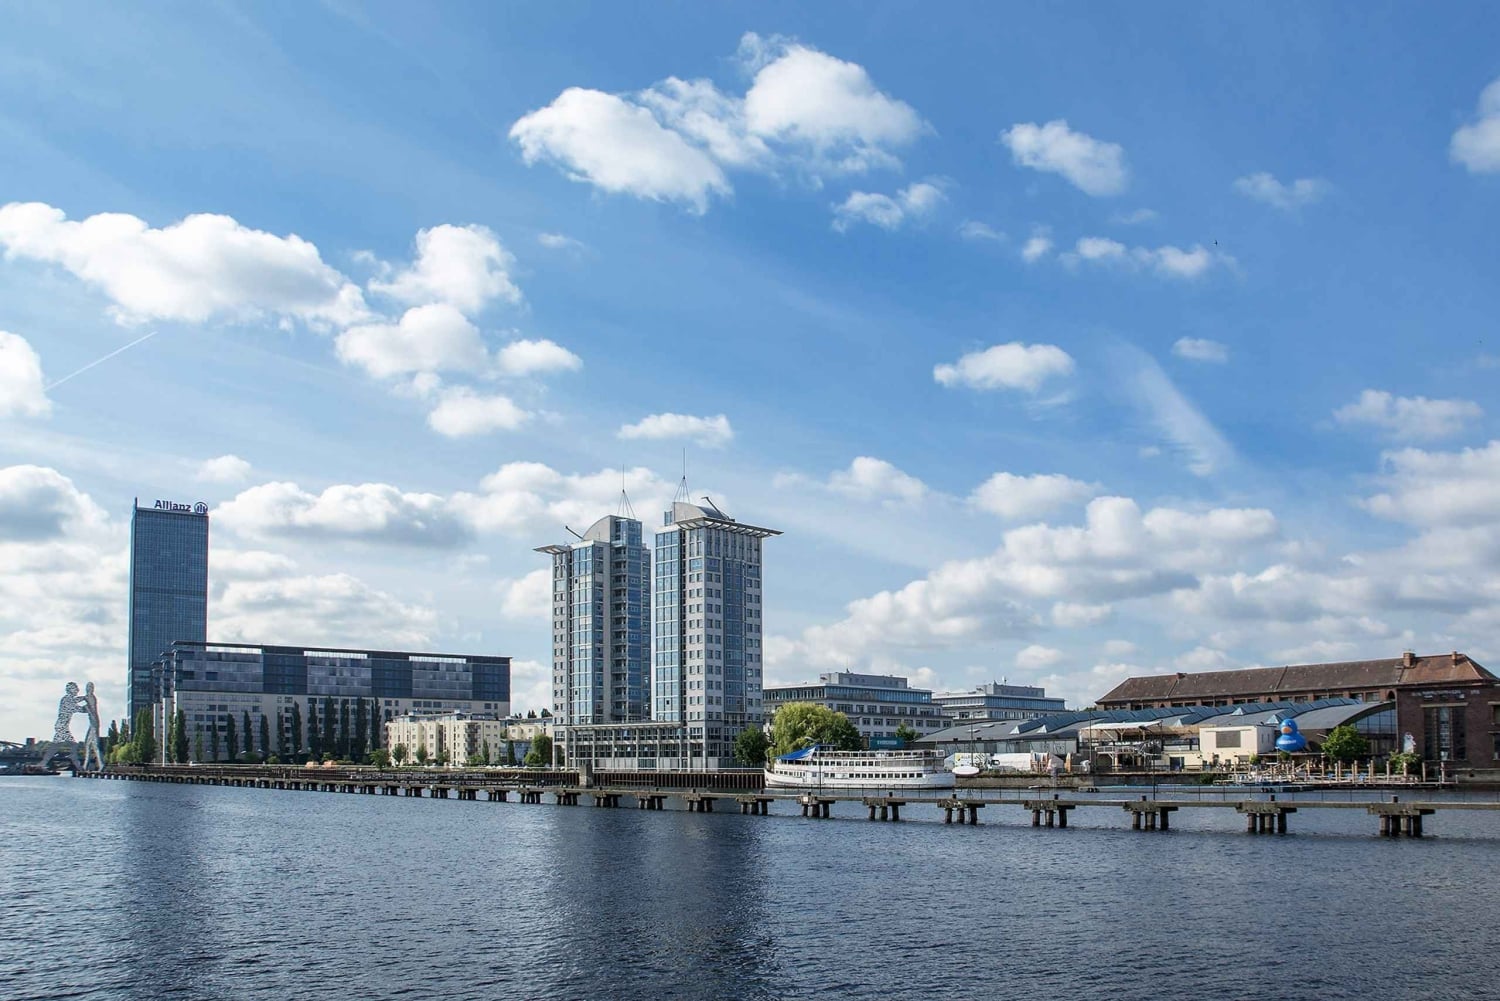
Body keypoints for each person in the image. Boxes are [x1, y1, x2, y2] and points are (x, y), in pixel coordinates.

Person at [79, 682, 104, 770]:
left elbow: (91, 710)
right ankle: (85, 766)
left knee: (95, 745)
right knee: (87, 744)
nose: (89, 689)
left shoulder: (91, 697)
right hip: (92, 722)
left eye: (90, 687)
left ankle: (101, 764)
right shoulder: (89, 697)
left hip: (94, 722)